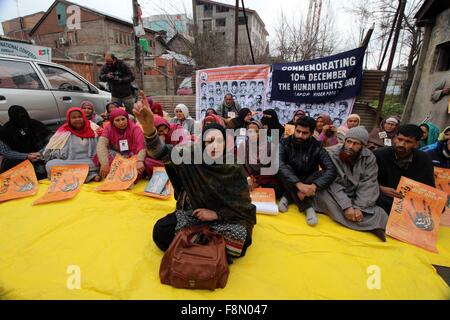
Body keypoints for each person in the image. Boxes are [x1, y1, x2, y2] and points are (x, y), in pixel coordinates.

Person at [133, 94, 256, 262]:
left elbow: (244, 208)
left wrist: (215, 214)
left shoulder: (232, 166)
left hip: (223, 218)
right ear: (202, 143)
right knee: (160, 231)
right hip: (193, 213)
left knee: (243, 239)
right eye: (209, 141)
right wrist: (148, 128)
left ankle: (192, 243)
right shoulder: (191, 155)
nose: (214, 146)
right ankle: (211, 247)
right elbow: (160, 153)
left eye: (219, 141)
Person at [313, 127, 388, 241]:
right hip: (334, 194)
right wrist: (347, 207)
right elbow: (332, 183)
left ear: (363, 146)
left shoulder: (369, 158)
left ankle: (362, 221)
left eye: (356, 144)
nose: (350, 146)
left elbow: (368, 184)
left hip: (355, 195)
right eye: (349, 142)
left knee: (381, 214)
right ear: (345, 141)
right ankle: (370, 227)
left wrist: (359, 208)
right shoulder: (331, 153)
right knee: (323, 198)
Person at [277, 116, 337, 226]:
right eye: (298, 131)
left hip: (309, 179)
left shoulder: (317, 146)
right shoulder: (284, 143)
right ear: (294, 129)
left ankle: (287, 196)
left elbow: (331, 169)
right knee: (284, 169)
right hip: (289, 179)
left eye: (304, 133)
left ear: (312, 133)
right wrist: (298, 184)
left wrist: (314, 186)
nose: (300, 135)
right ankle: (307, 208)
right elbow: (279, 164)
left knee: (322, 173)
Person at [373, 124, 435, 214]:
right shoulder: (379, 155)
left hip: (409, 204)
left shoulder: (425, 159)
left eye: (408, 141)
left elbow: (429, 187)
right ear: (395, 138)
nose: (401, 144)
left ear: (416, 144)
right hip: (382, 199)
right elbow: (364, 180)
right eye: (400, 139)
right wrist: (380, 188)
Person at [43, 107, 100, 182]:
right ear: (69, 120)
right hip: (69, 161)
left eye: (80, 117)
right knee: (50, 165)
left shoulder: (94, 129)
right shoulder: (63, 132)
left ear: (83, 117)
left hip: (89, 162)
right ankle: (89, 176)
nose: (77, 119)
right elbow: (52, 149)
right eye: (74, 117)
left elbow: (102, 148)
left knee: (99, 163)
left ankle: (75, 176)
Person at [0, 105, 51, 179]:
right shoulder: (5, 131)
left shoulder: (35, 124)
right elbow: (6, 152)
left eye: (24, 116)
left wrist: (41, 153)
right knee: (11, 165)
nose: (22, 119)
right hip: (20, 158)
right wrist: (26, 156)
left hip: (41, 155)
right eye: (18, 117)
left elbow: (51, 140)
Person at [94, 109, 146, 179]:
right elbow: (101, 145)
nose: (121, 122)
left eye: (123, 119)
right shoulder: (108, 129)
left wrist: (140, 160)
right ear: (113, 122)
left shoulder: (135, 128)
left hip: (133, 155)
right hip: (117, 156)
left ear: (127, 119)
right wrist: (104, 163)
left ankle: (121, 174)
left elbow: (141, 145)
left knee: (147, 161)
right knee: (98, 156)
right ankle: (124, 173)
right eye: (117, 120)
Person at [240, 120, 284, 198]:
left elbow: (273, 167)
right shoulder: (243, 146)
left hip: (265, 178)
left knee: (277, 188)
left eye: (256, 131)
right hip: (250, 177)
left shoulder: (270, 147)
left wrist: (258, 181)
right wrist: (248, 178)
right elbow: (241, 165)